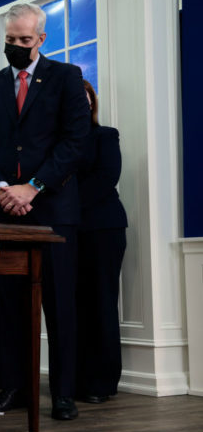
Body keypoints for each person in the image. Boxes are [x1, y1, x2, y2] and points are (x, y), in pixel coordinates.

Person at [0, 3, 90, 421]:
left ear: (41, 39)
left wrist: (32, 188)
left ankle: (62, 393)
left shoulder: (66, 78)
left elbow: (76, 143)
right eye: (10, 40)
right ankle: (14, 388)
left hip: (53, 210)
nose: (16, 46)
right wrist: (4, 189)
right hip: (3, 212)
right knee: (7, 305)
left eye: (24, 40)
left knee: (59, 305)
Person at [75, 80, 127, 403]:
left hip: (103, 229)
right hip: (69, 232)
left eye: (85, 98)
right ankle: (79, 379)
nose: (80, 103)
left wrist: (64, 203)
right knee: (76, 306)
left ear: (92, 102)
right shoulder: (55, 143)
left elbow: (106, 178)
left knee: (101, 303)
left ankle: (103, 381)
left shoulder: (105, 136)